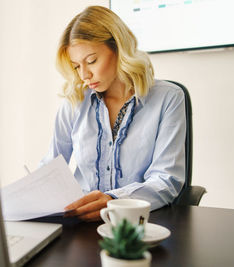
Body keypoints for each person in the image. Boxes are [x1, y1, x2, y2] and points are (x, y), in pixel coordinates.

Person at [40, 6, 185, 221]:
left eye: (91, 61)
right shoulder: (75, 102)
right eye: (76, 66)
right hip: (81, 224)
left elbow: (166, 180)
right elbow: (51, 168)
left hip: (139, 225)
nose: (84, 74)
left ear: (118, 48)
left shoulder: (168, 98)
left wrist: (114, 200)